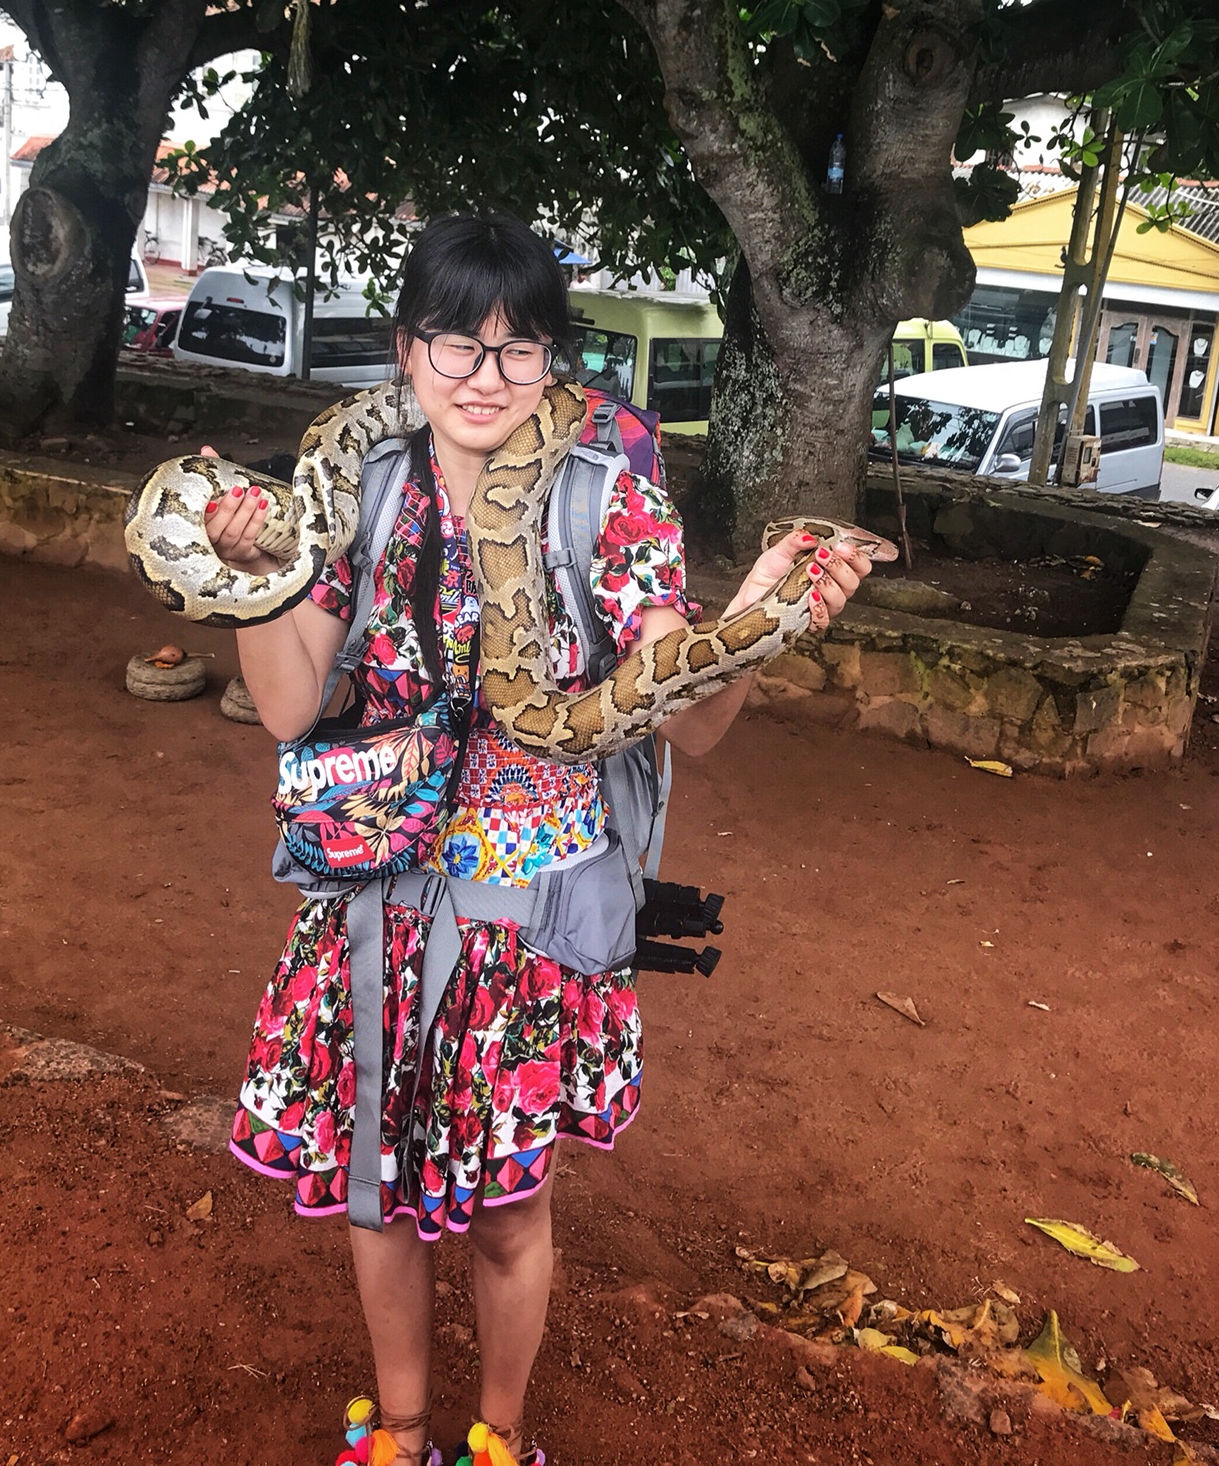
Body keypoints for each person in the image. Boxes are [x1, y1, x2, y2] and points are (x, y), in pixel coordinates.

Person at [204, 213, 872, 1466]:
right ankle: (402, 1431)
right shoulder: (360, 488)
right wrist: (249, 578)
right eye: (455, 344)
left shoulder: (608, 499)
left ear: (552, 361)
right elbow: (290, 708)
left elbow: (693, 720)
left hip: (531, 923)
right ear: (406, 351)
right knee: (375, 1189)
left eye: (517, 350)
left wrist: (756, 621)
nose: (483, 377)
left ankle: (496, 1439)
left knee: (510, 1214)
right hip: (372, 896)